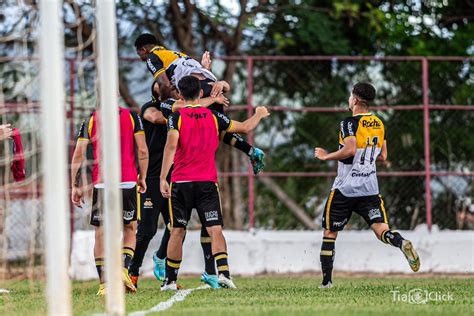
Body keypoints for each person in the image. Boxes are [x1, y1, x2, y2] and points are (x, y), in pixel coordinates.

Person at [159, 76, 270, 290]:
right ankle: (224, 274)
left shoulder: (176, 116)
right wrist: (259, 114)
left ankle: (170, 280)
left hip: (181, 182)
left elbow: (171, 147)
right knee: (215, 229)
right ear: (201, 94)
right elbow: (246, 128)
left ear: (180, 95)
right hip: (207, 182)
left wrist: (164, 177)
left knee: (177, 230)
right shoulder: (214, 117)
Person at [314, 82, 420, 289]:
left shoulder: (349, 123)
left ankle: (326, 282)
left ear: (354, 99)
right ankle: (400, 242)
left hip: (345, 188)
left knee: (330, 233)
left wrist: (326, 156)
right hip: (369, 188)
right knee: (381, 229)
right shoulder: (379, 123)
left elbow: (350, 150)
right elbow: (384, 156)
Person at [128, 82, 230, 289]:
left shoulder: (179, 110)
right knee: (147, 230)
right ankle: (132, 273)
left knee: (176, 227)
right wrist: (211, 101)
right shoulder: (151, 107)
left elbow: (192, 100)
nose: (165, 84)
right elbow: (159, 117)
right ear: (154, 90)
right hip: (151, 179)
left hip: (173, 179)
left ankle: (163, 264)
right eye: (159, 83)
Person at [134, 33, 266, 175]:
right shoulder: (175, 54)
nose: (140, 58)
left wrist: (167, 103)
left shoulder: (152, 58)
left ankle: (183, 163)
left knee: (180, 121)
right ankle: (251, 151)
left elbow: (164, 84)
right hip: (210, 85)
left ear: (143, 50)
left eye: (139, 54)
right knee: (217, 128)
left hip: (199, 89)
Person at [70, 106, 149, 295]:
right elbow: (143, 150)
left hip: (102, 184)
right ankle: (122, 269)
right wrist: (143, 177)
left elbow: (79, 153)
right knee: (130, 227)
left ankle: (105, 284)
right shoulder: (132, 117)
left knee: (101, 232)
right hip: (127, 182)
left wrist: (75, 184)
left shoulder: (91, 119)